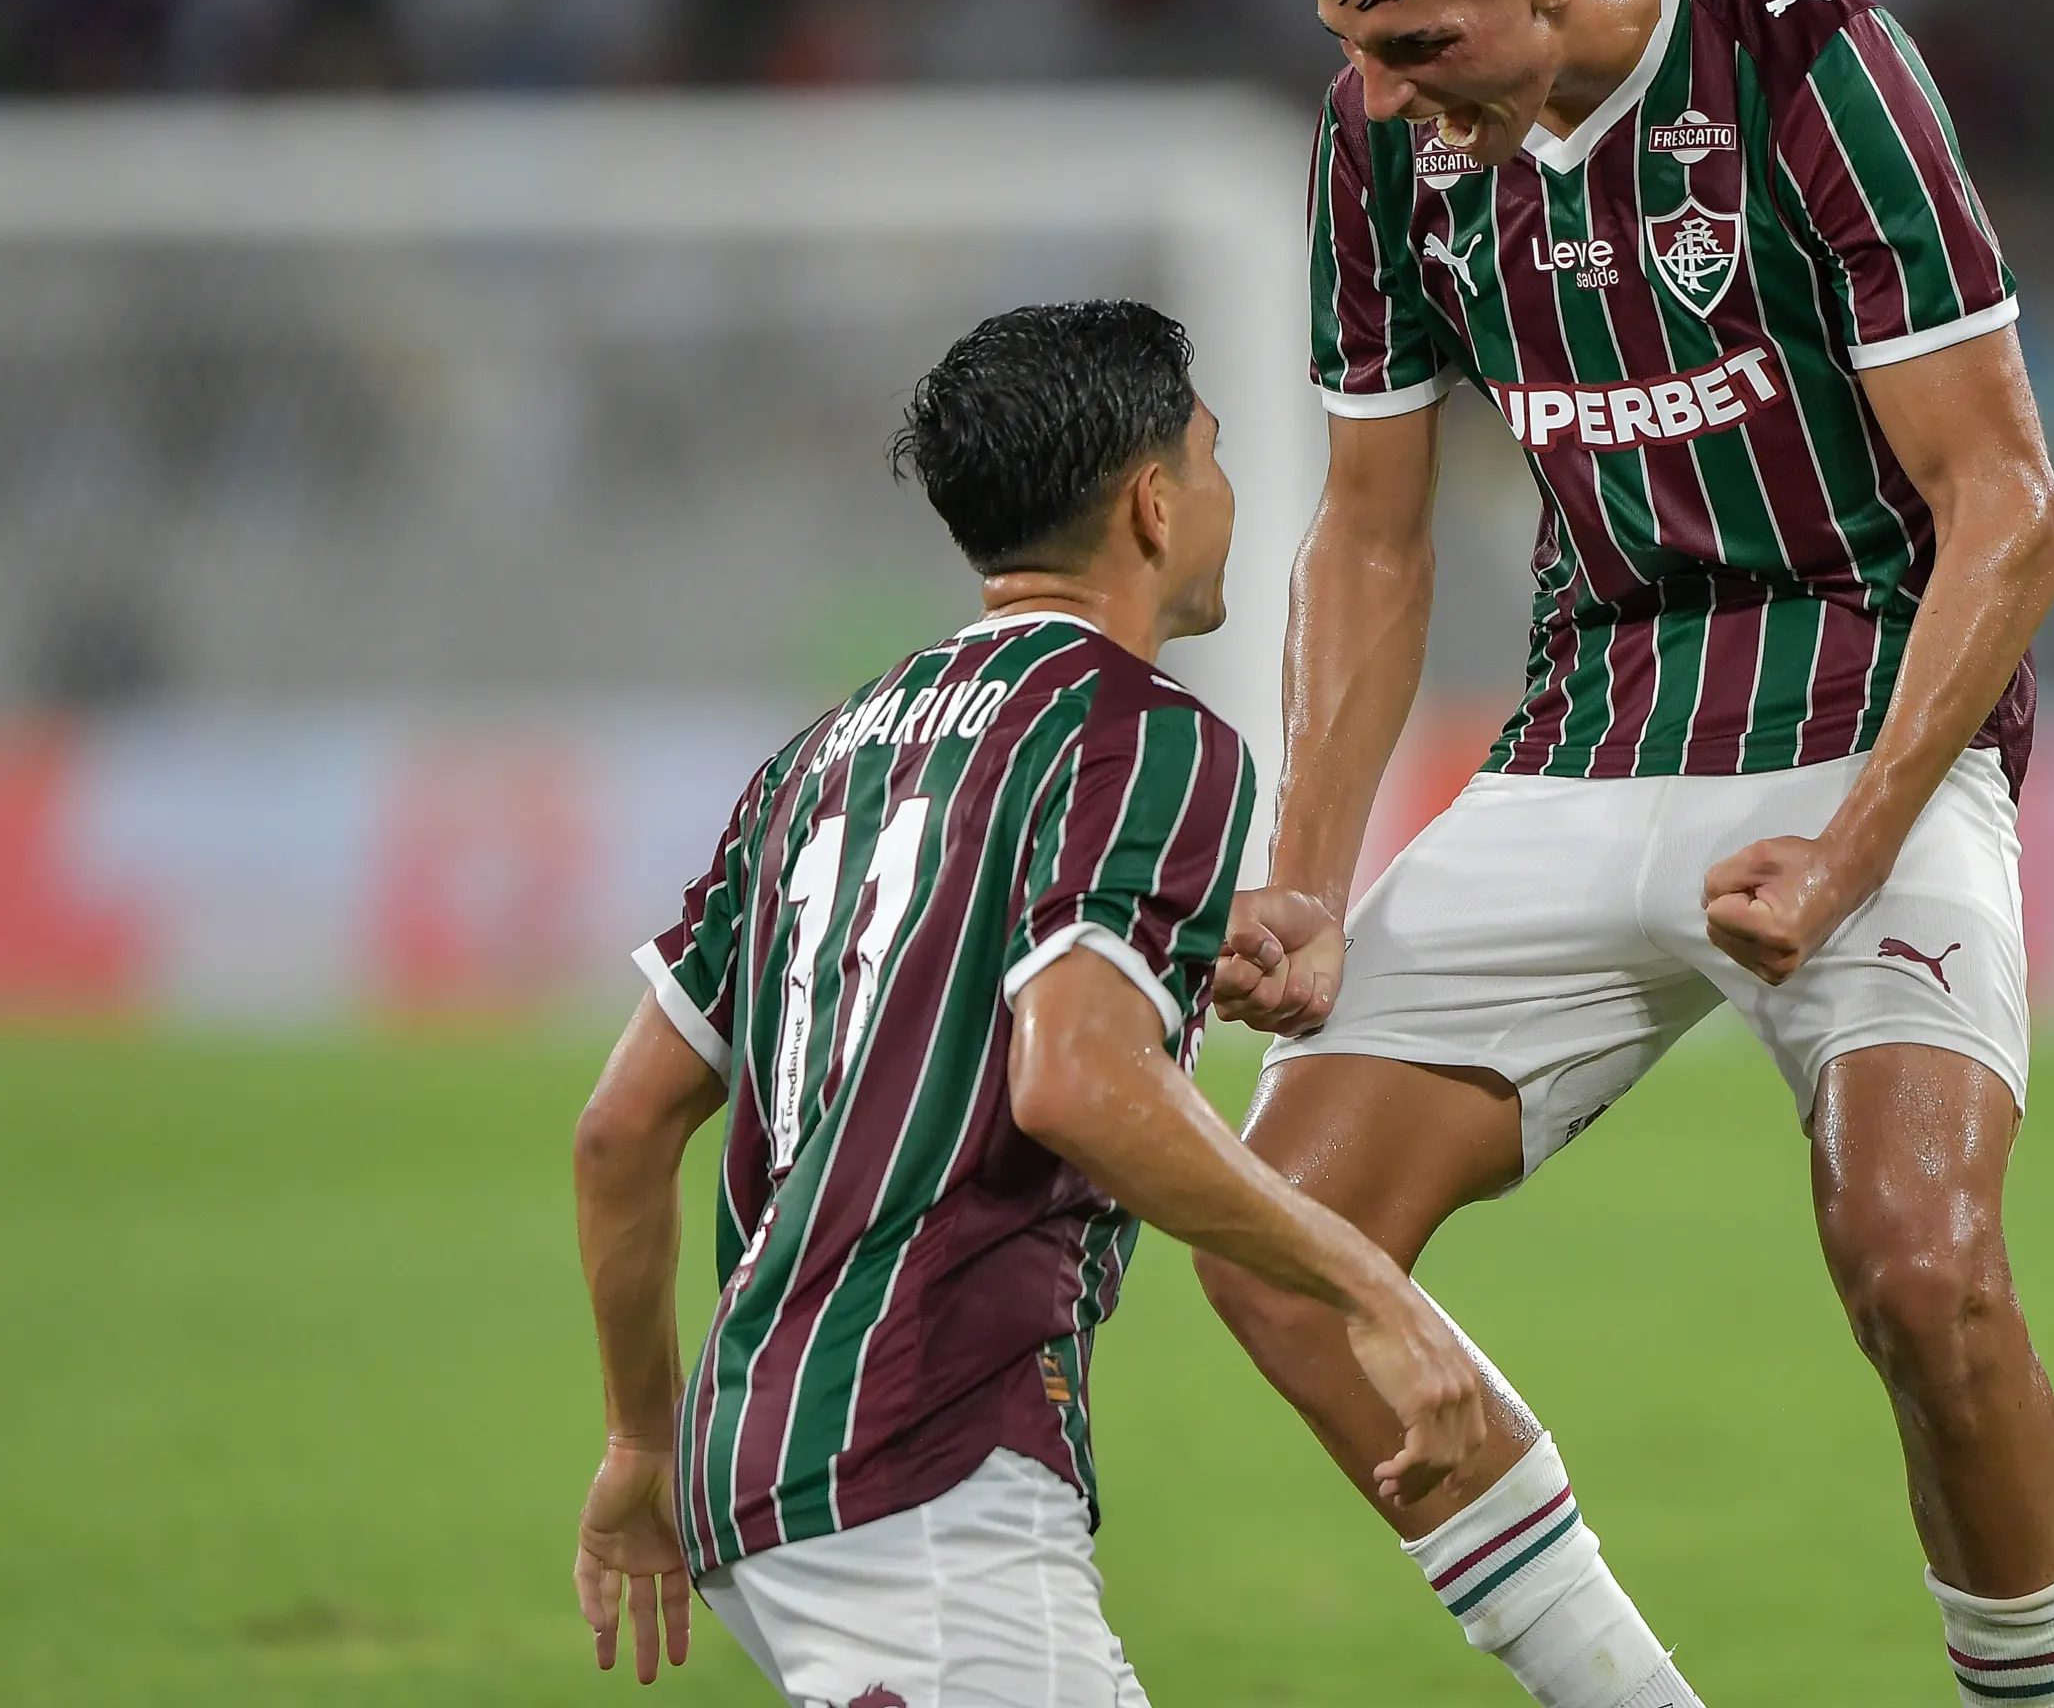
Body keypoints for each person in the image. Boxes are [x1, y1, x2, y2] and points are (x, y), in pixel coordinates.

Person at [1202, 0, 2054, 1708]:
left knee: (1921, 1272)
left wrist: (1854, 846)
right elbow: (1367, 530)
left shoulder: (1802, 62)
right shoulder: (1378, 145)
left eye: (1424, 43)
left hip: (1866, 733)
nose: (1387, 94)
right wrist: (1310, 882)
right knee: (1277, 1241)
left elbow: (2007, 506)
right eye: (1355, 49)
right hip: (1587, 735)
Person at [570, 300, 1484, 1705]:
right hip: (920, 1450)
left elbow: (622, 1129)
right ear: (1152, 503)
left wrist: (639, 1443)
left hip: (747, 1456)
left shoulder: (825, 758)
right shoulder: (1146, 733)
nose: (1233, 496)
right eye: (1217, 456)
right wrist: (1369, 1286)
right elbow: (1073, 1083)